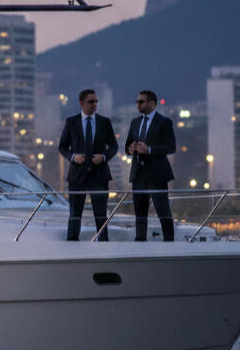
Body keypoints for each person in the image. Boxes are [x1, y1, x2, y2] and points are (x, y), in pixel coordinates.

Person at [59, 88, 118, 241]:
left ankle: (103, 243)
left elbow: (114, 146)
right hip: (77, 175)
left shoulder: (104, 122)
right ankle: (72, 244)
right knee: (74, 214)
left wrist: (104, 157)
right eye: (91, 101)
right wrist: (73, 157)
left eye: (96, 101)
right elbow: (62, 147)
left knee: (101, 214)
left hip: (99, 175)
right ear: (81, 103)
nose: (94, 104)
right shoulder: (71, 122)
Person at [125, 89, 176, 241]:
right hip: (138, 174)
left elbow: (171, 147)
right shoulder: (135, 122)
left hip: (157, 175)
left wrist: (149, 149)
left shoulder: (164, 122)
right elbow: (127, 146)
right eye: (137, 102)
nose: (138, 104)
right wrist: (130, 149)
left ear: (152, 104)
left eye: (141, 102)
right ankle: (140, 241)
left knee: (163, 211)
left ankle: (169, 242)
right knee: (140, 213)